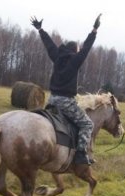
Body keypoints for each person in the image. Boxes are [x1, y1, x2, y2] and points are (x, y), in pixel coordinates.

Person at [30, 14, 101, 165]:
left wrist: (40, 29)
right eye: (78, 49)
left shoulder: (57, 56)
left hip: (52, 100)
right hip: (66, 102)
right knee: (87, 124)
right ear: (75, 51)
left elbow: (49, 44)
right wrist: (94, 30)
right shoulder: (75, 60)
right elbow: (87, 48)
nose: (79, 50)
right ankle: (81, 154)